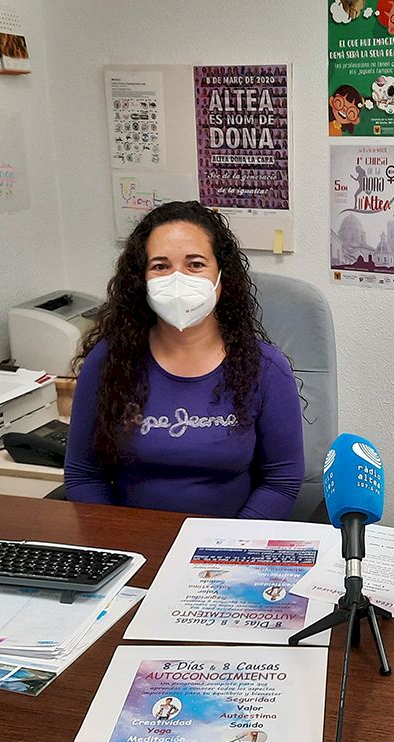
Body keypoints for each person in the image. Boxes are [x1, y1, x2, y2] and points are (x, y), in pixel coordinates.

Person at [64, 201, 304, 519]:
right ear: (141, 279)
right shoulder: (109, 361)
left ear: (222, 276)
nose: (178, 279)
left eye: (195, 264)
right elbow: (84, 476)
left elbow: (281, 482)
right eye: (160, 266)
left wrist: (231, 542)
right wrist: (117, 537)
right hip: (130, 540)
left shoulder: (265, 368)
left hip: (230, 541)